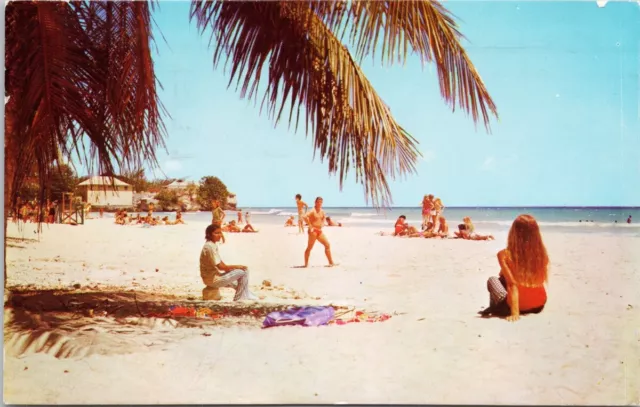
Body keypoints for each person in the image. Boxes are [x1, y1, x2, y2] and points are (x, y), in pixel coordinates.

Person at [480, 214, 548, 321]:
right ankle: (495, 308)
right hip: (539, 305)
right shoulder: (542, 255)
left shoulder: (504, 254)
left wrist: (515, 312)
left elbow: (512, 285)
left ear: (514, 232)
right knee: (502, 278)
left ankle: (494, 308)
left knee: (492, 280)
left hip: (517, 305)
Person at [199, 224, 257, 301]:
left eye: (220, 233)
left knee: (237, 283)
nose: (219, 235)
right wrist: (237, 266)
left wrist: (231, 269)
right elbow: (221, 267)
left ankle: (247, 294)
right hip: (214, 280)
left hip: (210, 278)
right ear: (209, 234)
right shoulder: (210, 247)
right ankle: (239, 298)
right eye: (216, 233)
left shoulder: (210, 245)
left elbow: (221, 264)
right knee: (244, 271)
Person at [302, 197, 335, 267]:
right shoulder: (312, 211)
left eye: (321, 202)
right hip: (313, 232)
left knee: (327, 245)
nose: (319, 203)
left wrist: (322, 224)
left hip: (319, 232)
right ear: (315, 202)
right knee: (309, 248)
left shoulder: (322, 211)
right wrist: (310, 226)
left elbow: (323, 218)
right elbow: (304, 216)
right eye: (318, 202)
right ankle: (306, 264)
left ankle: (331, 263)